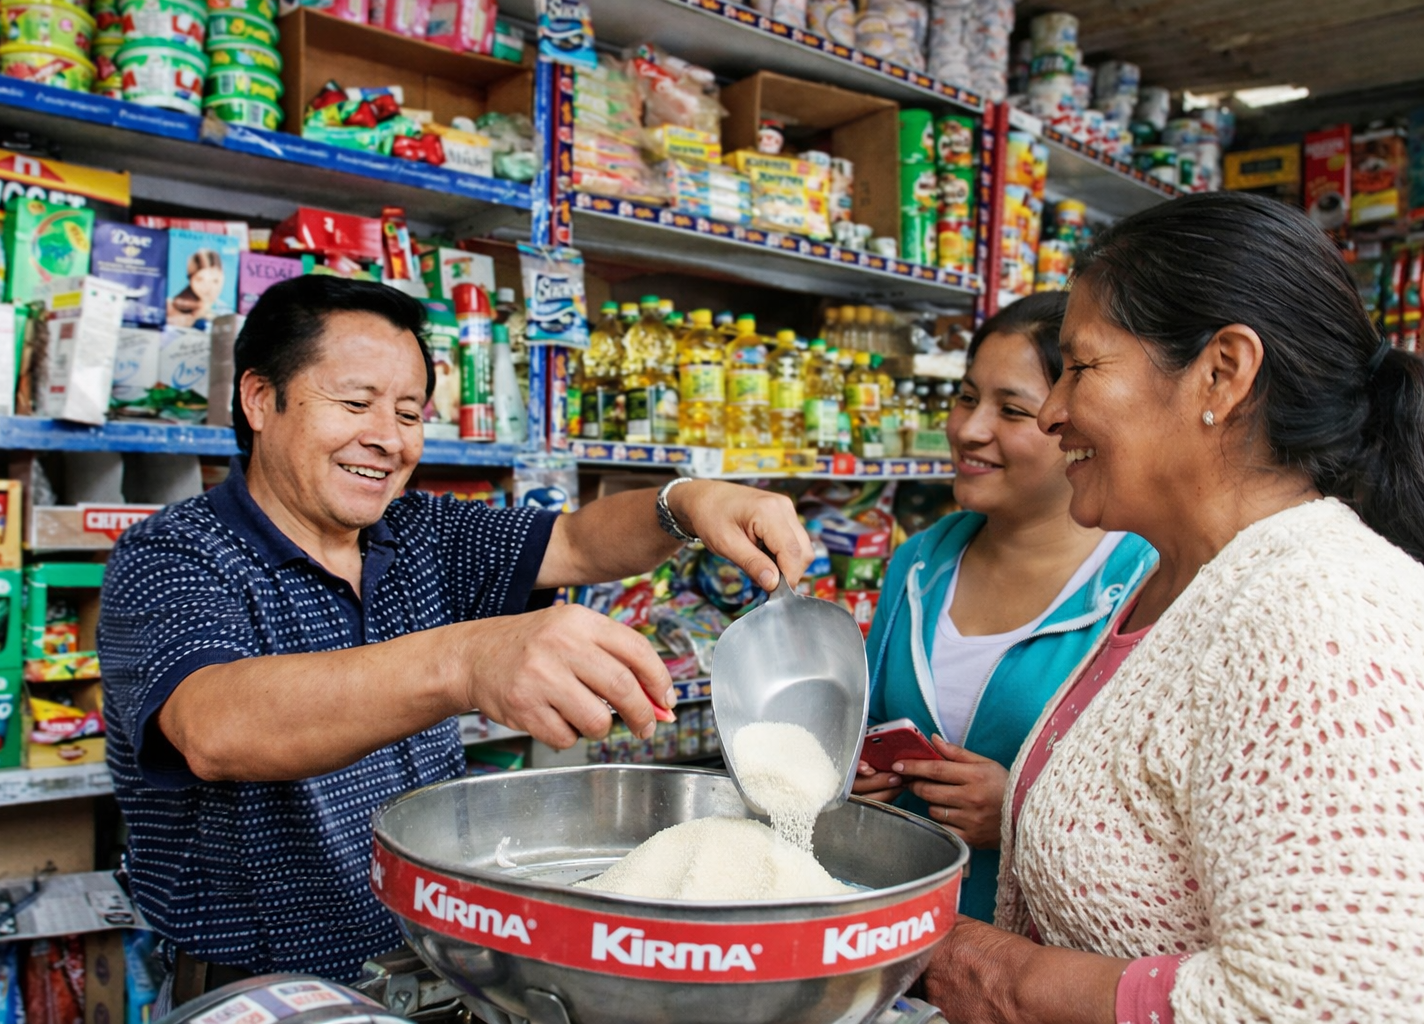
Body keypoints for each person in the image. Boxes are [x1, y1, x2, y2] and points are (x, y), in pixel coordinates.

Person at [98, 276, 811, 997]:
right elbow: (213, 728)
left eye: (409, 413)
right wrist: (466, 661)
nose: (386, 437)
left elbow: (580, 541)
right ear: (260, 399)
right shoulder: (172, 556)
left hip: (445, 974)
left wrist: (685, 502)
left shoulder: (419, 533)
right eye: (354, 403)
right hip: (267, 994)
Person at [921, 192, 1424, 1023]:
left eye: (1079, 369)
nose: (1054, 412)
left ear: (1222, 373)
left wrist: (994, 973)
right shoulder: (1175, 586)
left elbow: (1336, 1002)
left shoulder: (1321, 616)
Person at [853, 293, 1154, 922]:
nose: (968, 429)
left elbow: (1166, 818)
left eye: (1011, 409)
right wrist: (851, 774)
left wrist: (1024, 813)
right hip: (899, 920)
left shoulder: (1144, 579)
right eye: (966, 397)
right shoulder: (918, 562)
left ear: (1073, 418)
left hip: (1046, 958)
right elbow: (869, 723)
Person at [168, 249, 225, 327]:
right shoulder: (171, 307)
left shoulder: (225, 310)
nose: (208, 287)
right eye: (200, 280)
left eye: (215, 280)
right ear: (190, 279)